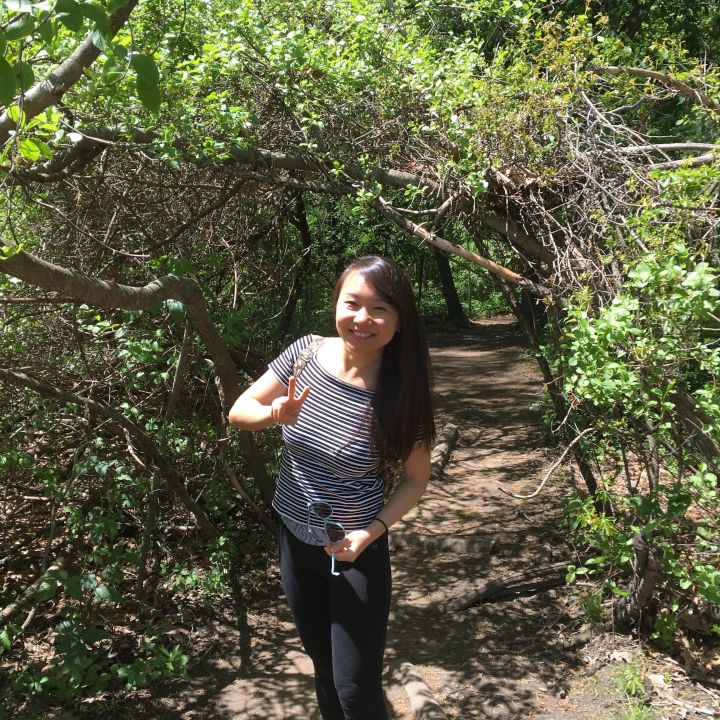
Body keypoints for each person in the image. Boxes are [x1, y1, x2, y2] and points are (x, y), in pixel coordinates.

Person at [228, 255, 435, 720]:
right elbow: (239, 411)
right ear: (336, 304)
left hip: (356, 551)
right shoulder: (305, 354)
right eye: (352, 303)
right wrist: (274, 414)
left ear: (399, 321)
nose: (362, 319)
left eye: (379, 309)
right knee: (324, 671)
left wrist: (371, 532)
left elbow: (416, 478)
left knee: (355, 690)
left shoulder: (402, 394)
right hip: (294, 541)